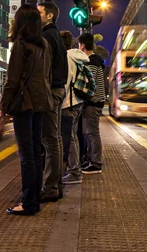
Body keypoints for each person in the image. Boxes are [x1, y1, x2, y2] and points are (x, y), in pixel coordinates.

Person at [0, 5, 53, 216]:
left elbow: (12, 80)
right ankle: (34, 199)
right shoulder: (44, 44)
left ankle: (29, 203)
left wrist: (2, 107)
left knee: (26, 154)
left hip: (25, 104)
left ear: (21, 22)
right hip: (41, 102)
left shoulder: (21, 44)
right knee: (36, 153)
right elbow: (46, 76)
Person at [37, 2, 68, 202]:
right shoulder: (55, 35)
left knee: (50, 139)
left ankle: (50, 187)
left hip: (50, 90)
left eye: (39, 12)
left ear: (49, 16)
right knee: (54, 138)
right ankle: (55, 184)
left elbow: (44, 69)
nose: (36, 16)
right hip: (57, 89)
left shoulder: (47, 36)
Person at [60, 30, 90, 185]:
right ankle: (74, 169)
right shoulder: (77, 57)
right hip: (78, 101)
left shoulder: (66, 57)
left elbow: (65, 82)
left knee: (69, 138)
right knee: (73, 137)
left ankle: (74, 172)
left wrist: (58, 100)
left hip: (68, 103)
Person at [78, 33, 106, 175]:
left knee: (92, 133)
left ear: (82, 45)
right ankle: (90, 160)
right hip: (95, 103)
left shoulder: (91, 62)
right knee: (89, 133)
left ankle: (96, 163)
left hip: (93, 103)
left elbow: (89, 85)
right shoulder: (96, 61)